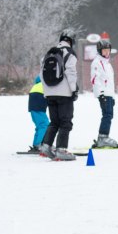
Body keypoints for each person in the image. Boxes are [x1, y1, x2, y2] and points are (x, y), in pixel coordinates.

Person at [40, 30, 78, 161]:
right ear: (72, 41)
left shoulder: (49, 52)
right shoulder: (70, 53)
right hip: (64, 94)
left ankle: (46, 146)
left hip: (49, 93)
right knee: (65, 122)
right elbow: (71, 72)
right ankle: (61, 150)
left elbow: (41, 74)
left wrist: (46, 91)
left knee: (54, 121)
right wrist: (74, 90)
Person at [90, 40, 118, 148]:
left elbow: (109, 81)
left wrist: (112, 96)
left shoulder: (107, 64)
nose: (107, 53)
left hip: (108, 94)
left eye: (108, 51)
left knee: (109, 115)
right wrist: (101, 94)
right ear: (99, 51)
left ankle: (104, 136)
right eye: (104, 51)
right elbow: (95, 80)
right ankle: (103, 137)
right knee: (107, 115)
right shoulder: (97, 62)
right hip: (103, 94)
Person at [26, 76, 49, 153]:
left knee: (40, 126)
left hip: (33, 109)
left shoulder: (36, 86)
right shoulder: (45, 85)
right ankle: (39, 145)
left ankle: (36, 144)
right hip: (39, 108)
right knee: (44, 125)